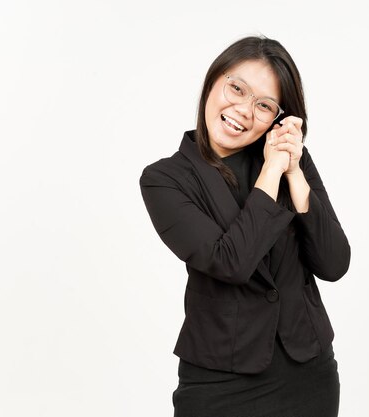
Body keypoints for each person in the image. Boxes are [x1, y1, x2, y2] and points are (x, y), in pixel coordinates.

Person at [139, 35, 351, 417]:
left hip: (308, 373)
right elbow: (230, 262)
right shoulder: (165, 179)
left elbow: (334, 264)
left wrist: (294, 175)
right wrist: (271, 172)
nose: (243, 110)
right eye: (237, 88)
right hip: (220, 382)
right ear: (214, 80)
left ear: (278, 119)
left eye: (264, 105)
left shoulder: (292, 162)